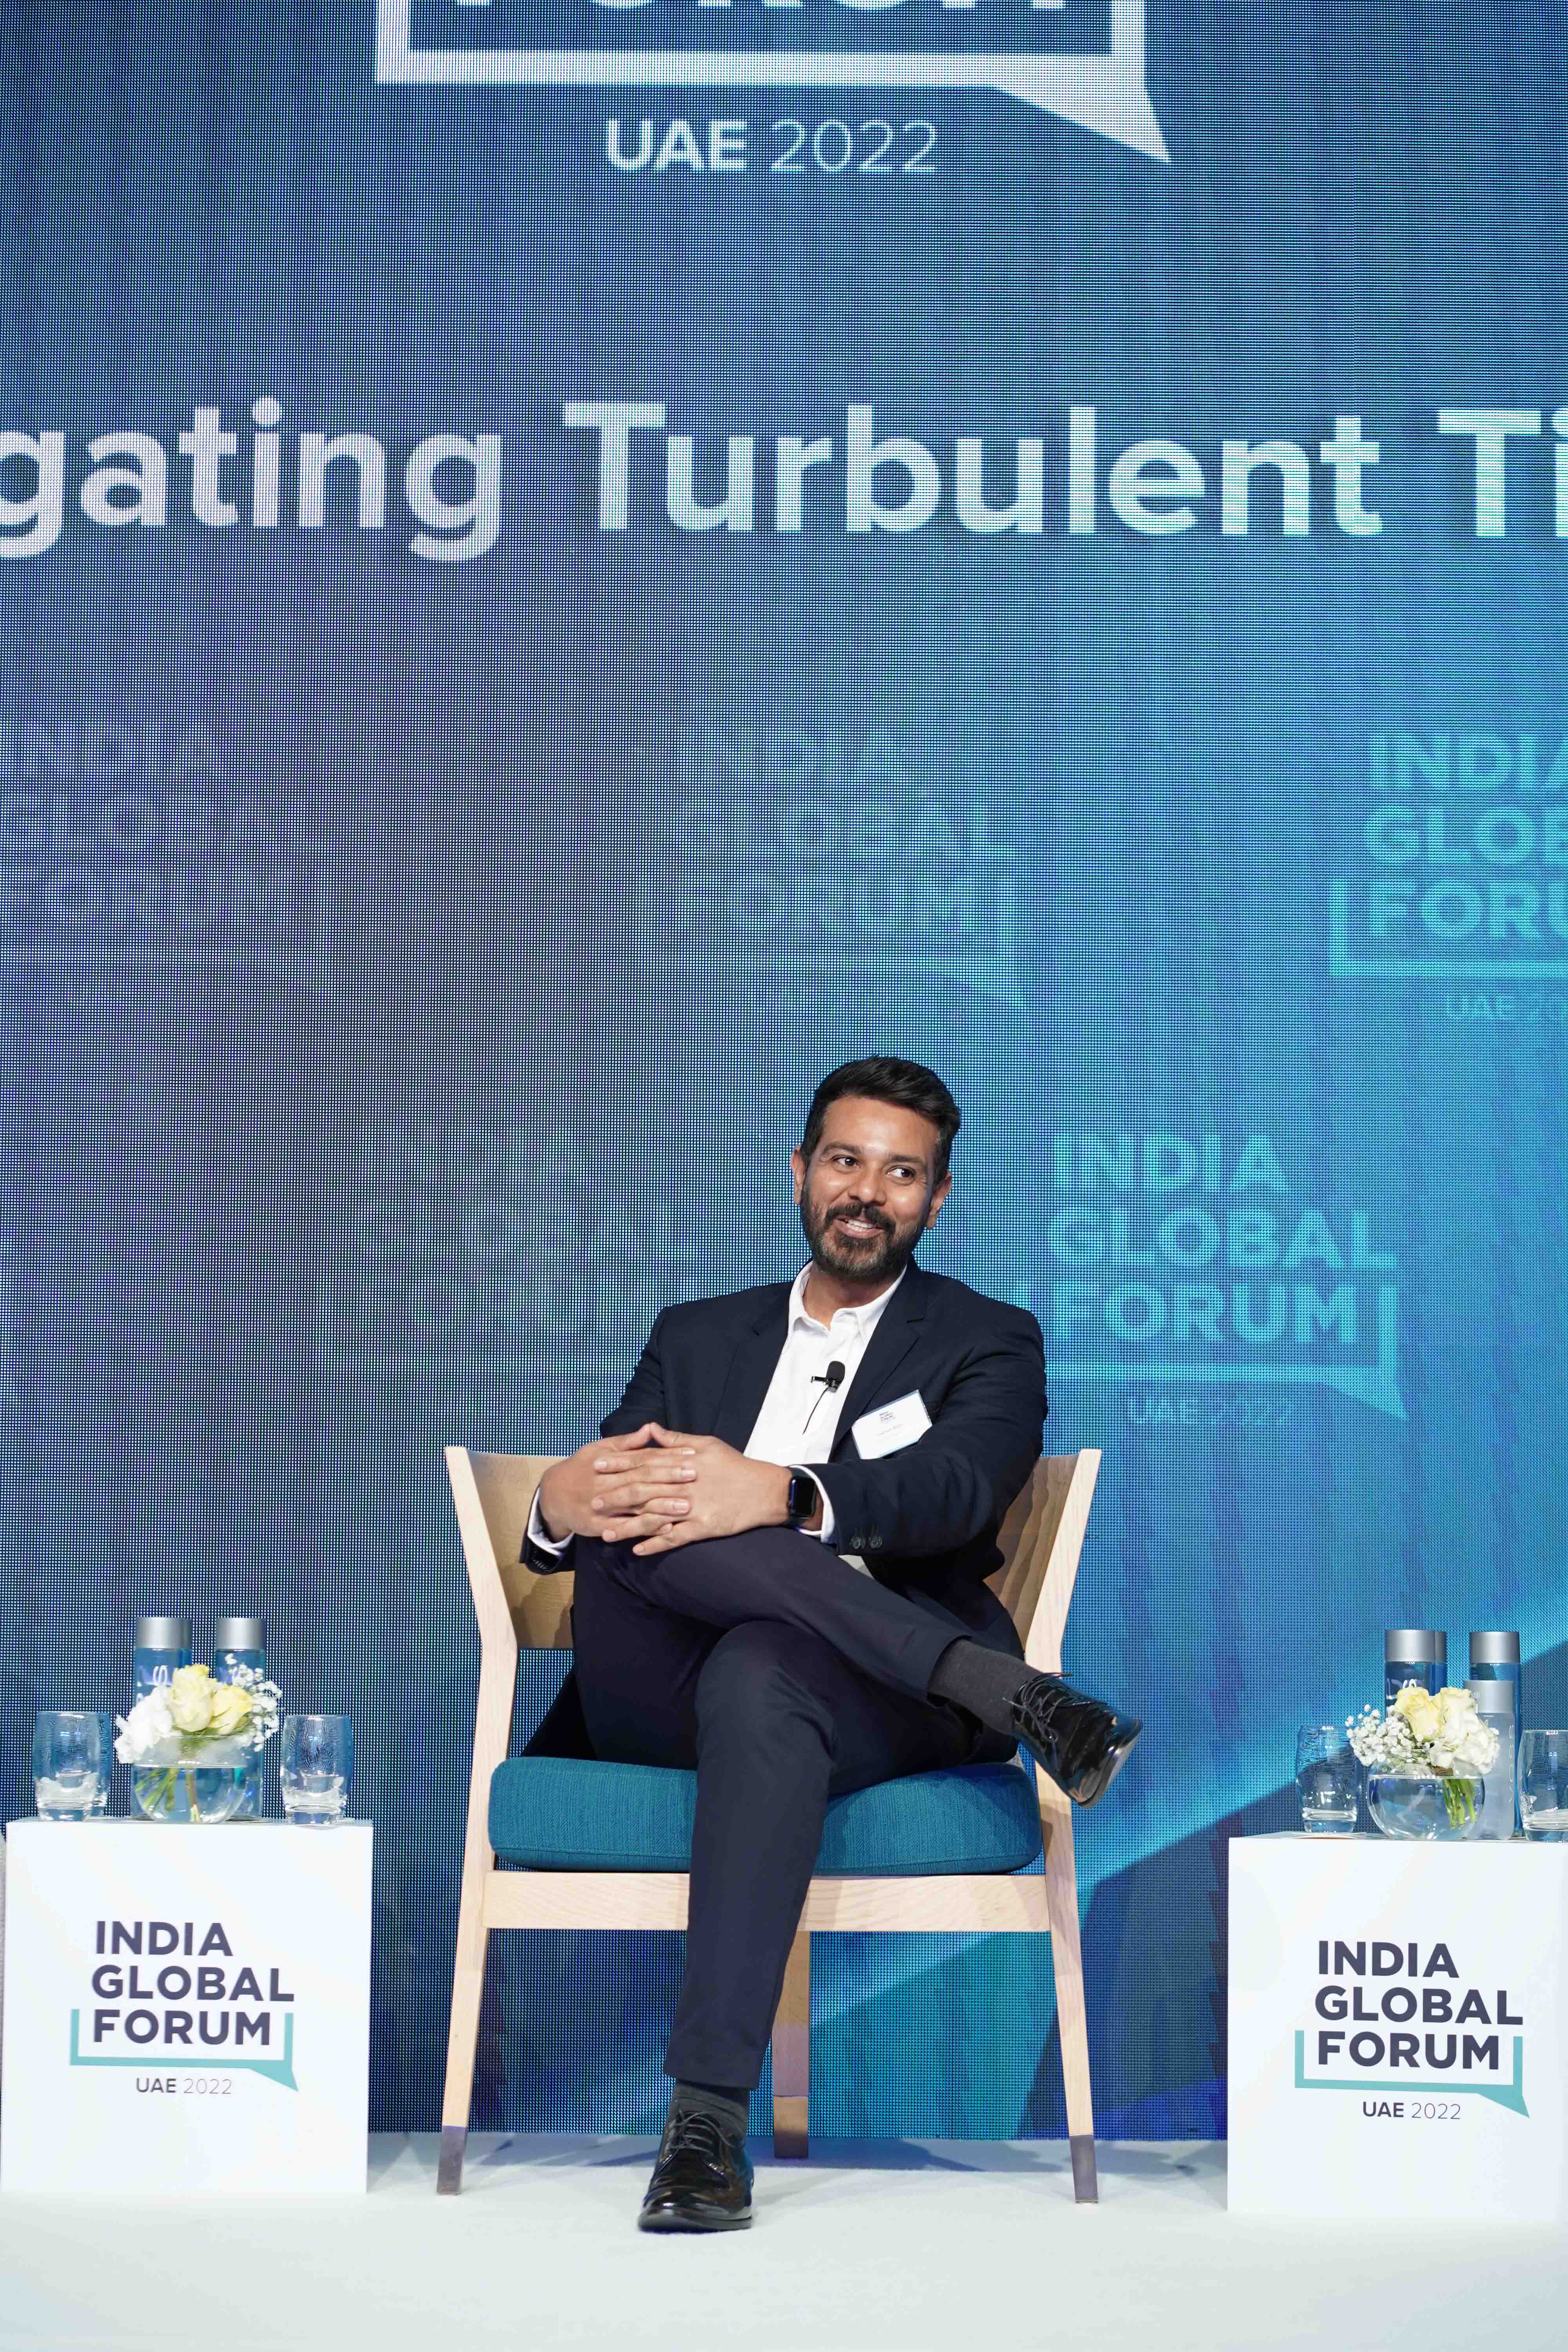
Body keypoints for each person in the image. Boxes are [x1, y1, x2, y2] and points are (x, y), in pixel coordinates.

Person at [525, 1055, 1140, 2232]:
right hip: (660, 1683)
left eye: (902, 1174)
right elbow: (615, 1489)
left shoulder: (988, 1337)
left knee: (764, 1667)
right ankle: (1009, 1692)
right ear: (801, 1170)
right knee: (642, 1526)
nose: (868, 1191)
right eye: (847, 1161)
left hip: (863, 1697)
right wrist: (555, 1502)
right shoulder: (697, 1334)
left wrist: (784, 1494)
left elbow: (957, 1489)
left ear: (938, 1199)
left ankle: (704, 2129)